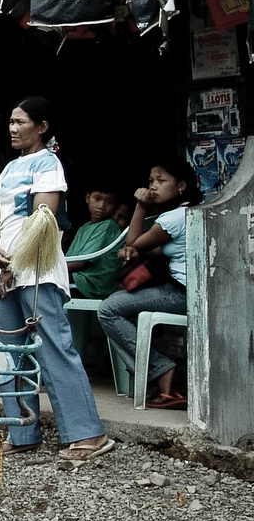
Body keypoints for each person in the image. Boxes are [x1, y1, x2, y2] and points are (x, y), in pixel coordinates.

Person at [0, 96, 112, 462]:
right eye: (11, 121)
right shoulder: (9, 169)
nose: (13, 128)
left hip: (36, 269)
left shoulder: (48, 164)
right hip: (7, 272)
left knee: (52, 348)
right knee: (9, 353)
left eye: (21, 121)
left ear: (41, 127)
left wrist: (12, 264)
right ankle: (22, 431)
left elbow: (42, 220)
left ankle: (89, 433)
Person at [97, 160, 202, 410]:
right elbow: (158, 249)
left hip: (181, 294)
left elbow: (133, 241)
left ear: (182, 186)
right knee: (122, 310)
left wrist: (140, 205)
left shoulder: (173, 218)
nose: (153, 186)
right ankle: (158, 380)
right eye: (151, 180)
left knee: (109, 309)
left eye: (161, 181)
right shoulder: (190, 211)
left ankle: (159, 369)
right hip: (190, 292)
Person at [66, 184, 125, 300]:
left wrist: (52, 270)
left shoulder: (108, 226)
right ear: (87, 198)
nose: (101, 206)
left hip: (92, 285)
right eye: (97, 199)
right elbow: (70, 258)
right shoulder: (85, 227)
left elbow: (80, 263)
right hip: (79, 279)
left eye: (109, 202)